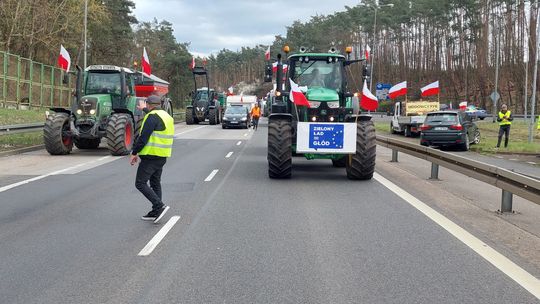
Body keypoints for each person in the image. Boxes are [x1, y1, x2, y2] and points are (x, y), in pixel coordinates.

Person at [130, 95, 174, 223]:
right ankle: (156, 211)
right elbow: (156, 122)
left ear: (149, 105)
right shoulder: (166, 116)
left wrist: (134, 152)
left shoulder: (151, 117)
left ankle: (159, 205)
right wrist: (144, 109)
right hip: (162, 155)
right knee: (155, 183)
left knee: (140, 183)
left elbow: (143, 137)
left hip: (151, 156)